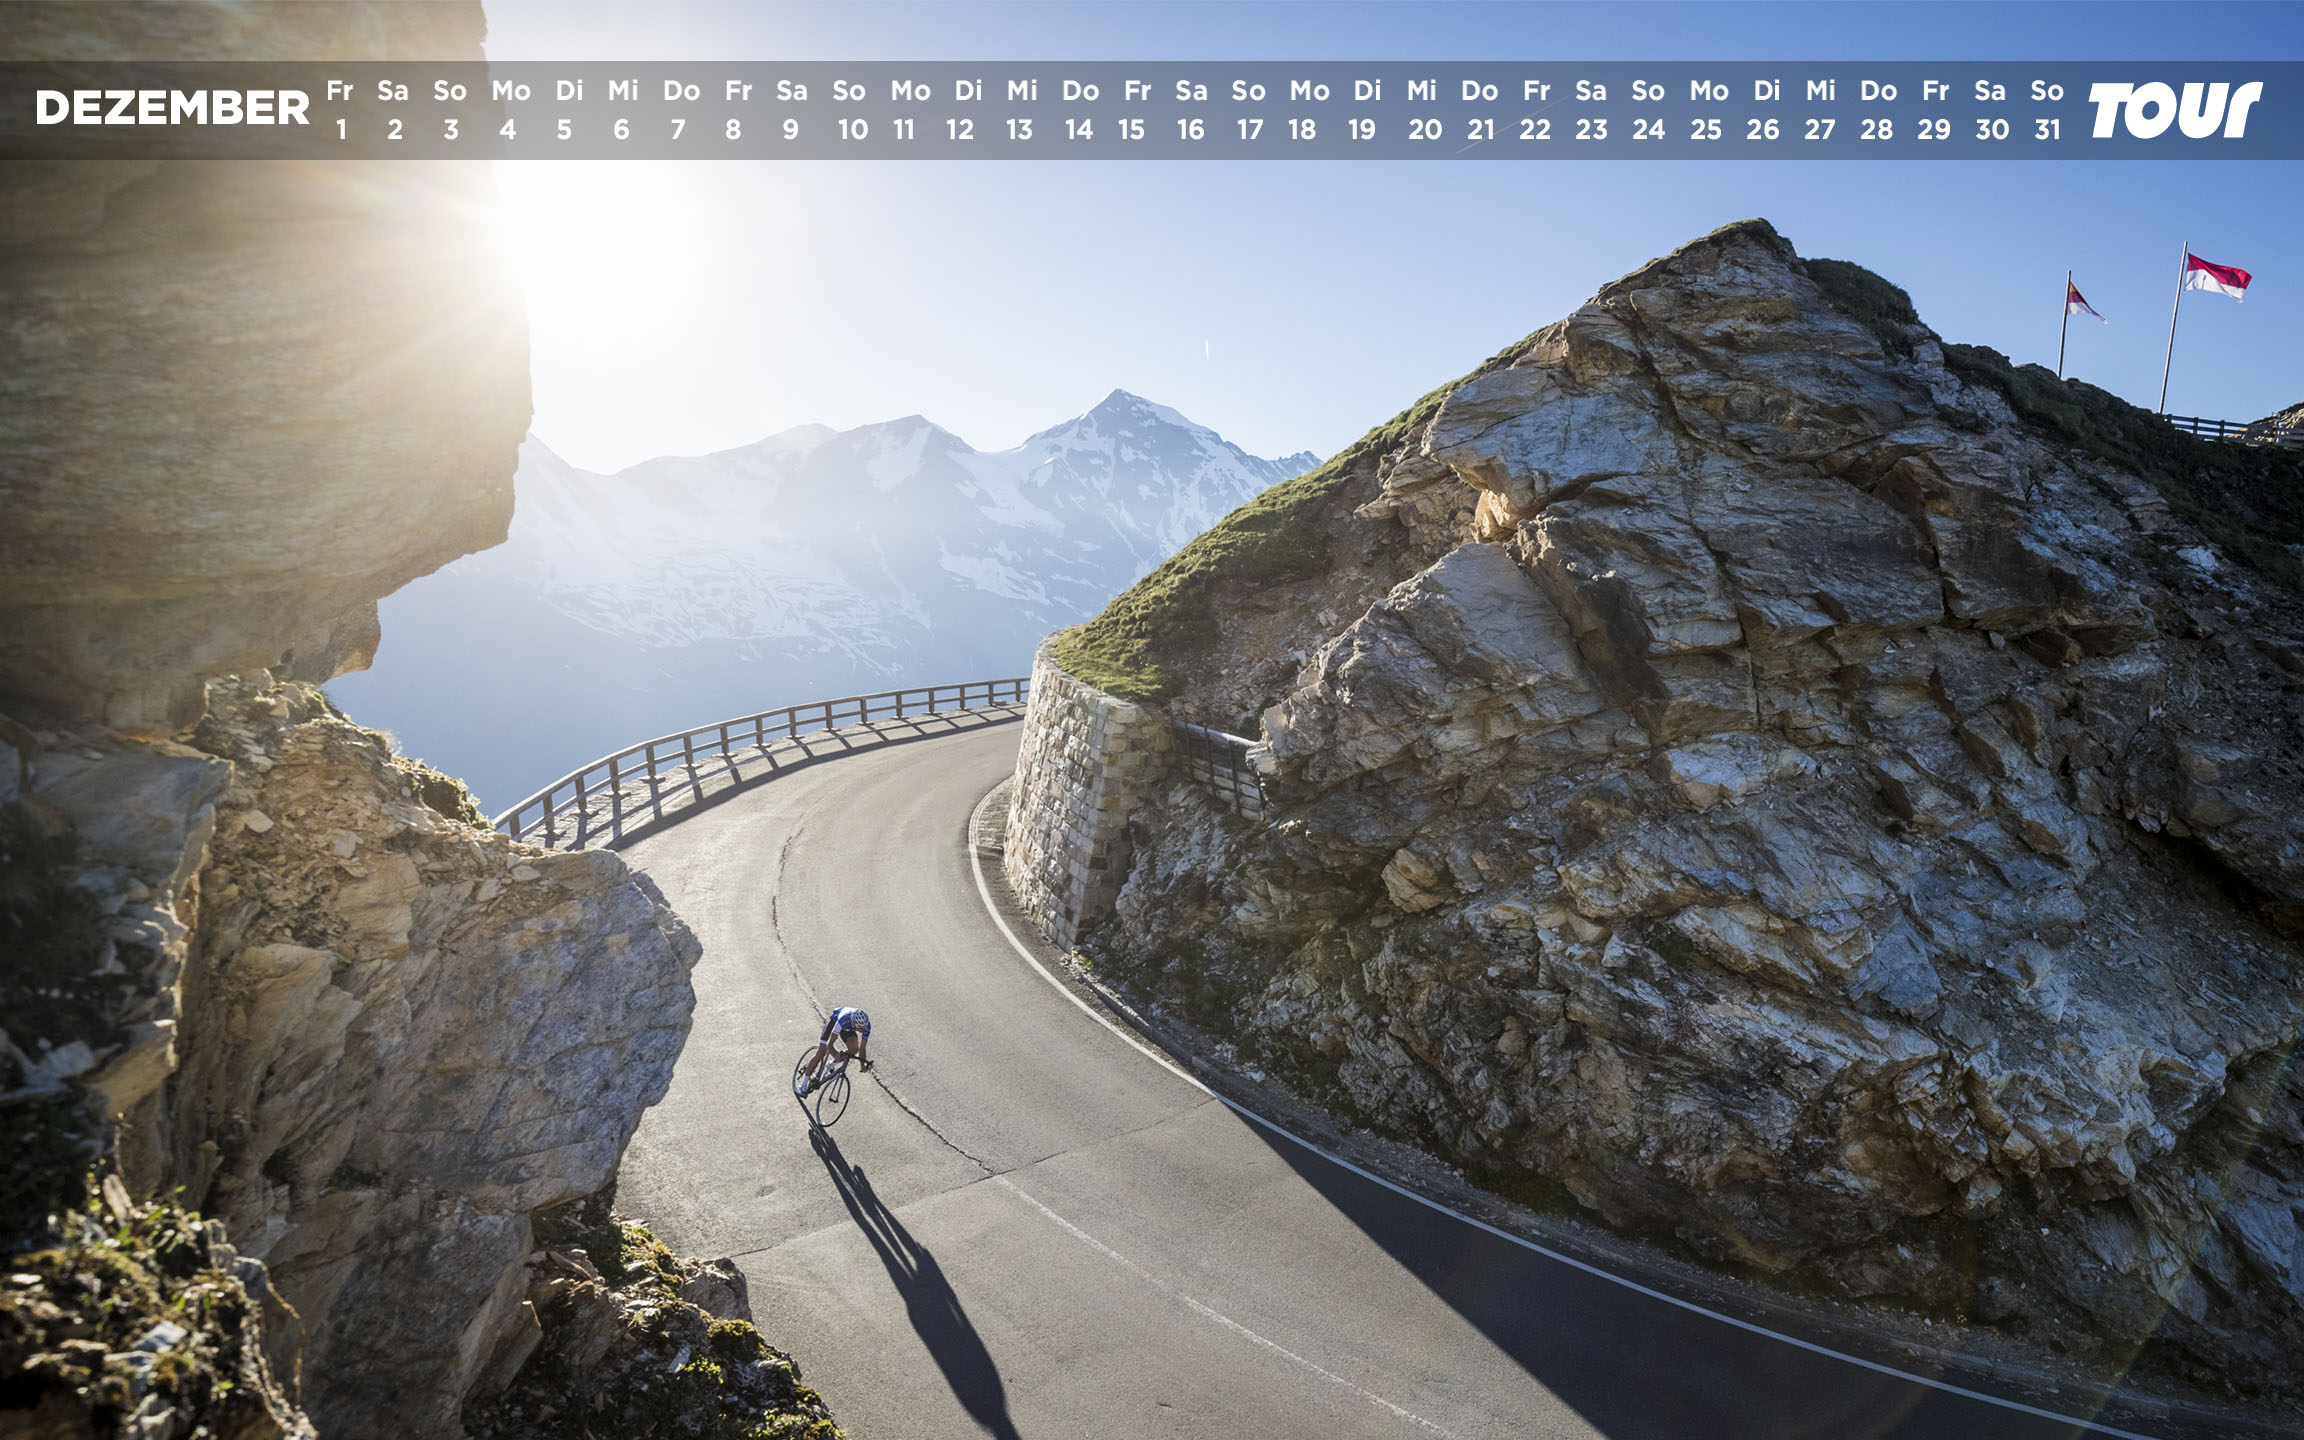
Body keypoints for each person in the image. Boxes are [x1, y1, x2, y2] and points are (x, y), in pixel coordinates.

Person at [799, 1006, 872, 1094]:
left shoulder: (866, 1026)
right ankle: (803, 1083)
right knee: (822, 1051)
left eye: (863, 1027)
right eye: (860, 1028)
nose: (863, 1030)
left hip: (848, 1028)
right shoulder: (843, 1020)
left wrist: (862, 1064)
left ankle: (831, 1064)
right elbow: (830, 1044)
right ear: (854, 1023)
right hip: (835, 1023)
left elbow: (862, 1049)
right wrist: (835, 1054)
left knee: (853, 1050)